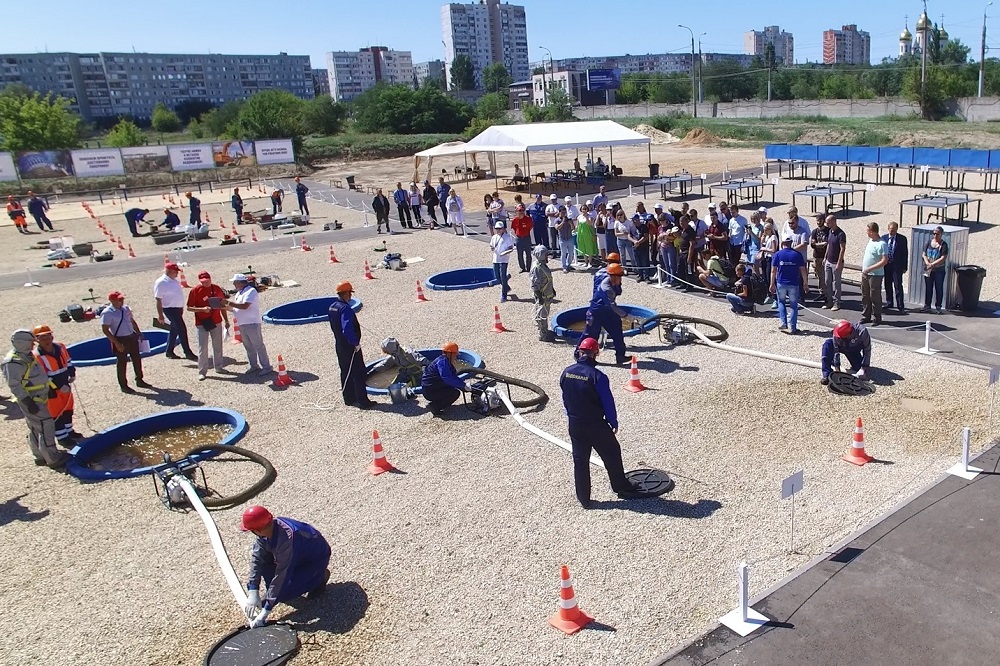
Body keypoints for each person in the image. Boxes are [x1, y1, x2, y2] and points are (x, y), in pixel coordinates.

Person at [560, 337, 643, 509]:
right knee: (612, 453)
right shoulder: (598, 376)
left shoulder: (566, 372)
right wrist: (613, 421)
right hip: (595, 425)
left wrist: (570, 414)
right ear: (595, 354)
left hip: (575, 424)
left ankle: (584, 499)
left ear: (579, 352)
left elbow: (565, 398)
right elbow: (607, 402)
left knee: (580, 461)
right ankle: (620, 486)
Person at [240, 506, 331, 629]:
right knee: (269, 571)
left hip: (314, 561)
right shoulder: (267, 531)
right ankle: (279, 592)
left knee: (284, 593)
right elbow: (257, 559)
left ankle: (319, 577)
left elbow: (282, 575)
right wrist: (253, 589)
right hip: (297, 557)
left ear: (258, 530)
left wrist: (266, 610)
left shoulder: (288, 539)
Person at [2, 329, 70, 470]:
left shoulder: (25, 356)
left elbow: (38, 375)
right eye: (31, 343)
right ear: (22, 343)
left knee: (35, 427)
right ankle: (53, 458)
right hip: (32, 400)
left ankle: (40, 456)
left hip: (39, 396)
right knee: (46, 426)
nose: (34, 345)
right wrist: (27, 401)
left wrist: (49, 387)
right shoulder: (13, 362)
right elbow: (14, 385)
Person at [32, 324, 82, 446]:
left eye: (47, 337)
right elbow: (42, 376)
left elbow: (68, 361)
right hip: (51, 390)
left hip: (65, 383)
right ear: (37, 340)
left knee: (68, 409)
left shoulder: (61, 347)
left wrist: (72, 372)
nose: (46, 340)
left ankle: (69, 431)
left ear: (52, 336)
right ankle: (62, 438)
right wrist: (57, 387)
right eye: (42, 338)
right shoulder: (37, 356)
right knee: (56, 413)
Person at [328, 281, 375, 409]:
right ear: (347, 293)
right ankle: (363, 401)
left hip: (339, 344)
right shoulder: (345, 308)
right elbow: (347, 328)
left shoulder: (332, 306)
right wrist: (355, 343)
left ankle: (348, 398)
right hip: (350, 347)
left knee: (345, 371)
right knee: (358, 372)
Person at [100, 291, 151, 393]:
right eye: (119, 299)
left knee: (136, 359)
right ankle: (124, 385)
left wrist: (138, 333)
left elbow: (131, 321)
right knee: (122, 363)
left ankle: (139, 379)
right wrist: (116, 343)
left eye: (122, 299)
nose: (122, 301)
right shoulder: (107, 313)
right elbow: (105, 330)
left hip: (131, 336)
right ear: (112, 301)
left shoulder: (126, 308)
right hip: (120, 339)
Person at [581, 263, 629, 364]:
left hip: (607, 312)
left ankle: (620, 356)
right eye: (620, 277)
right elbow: (612, 306)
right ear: (614, 276)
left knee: (617, 331)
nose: (621, 279)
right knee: (590, 335)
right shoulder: (606, 288)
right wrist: (626, 315)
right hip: (596, 313)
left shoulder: (612, 283)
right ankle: (581, 356)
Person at [186, 271, 230, 381]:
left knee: (218, 345)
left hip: (216, 321)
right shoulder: (195, 291)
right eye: (203, 282)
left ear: (210, 279)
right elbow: (189, 307)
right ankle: (202, 371)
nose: (206, 283)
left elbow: (222, 305)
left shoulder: (217, 289)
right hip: (202, 323)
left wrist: (226, 320)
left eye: (207, 281)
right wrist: (202, 309)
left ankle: (219, 367)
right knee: (203, 348)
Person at [227, 274, 272, 375]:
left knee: (258, 345)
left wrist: (228, 303)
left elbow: (245, 306)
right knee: (248, 347)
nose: (234, 284)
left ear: (240, 282)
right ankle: (254, 365)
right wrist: (223, 306)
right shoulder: (239, 293)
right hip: (242, 323)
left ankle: (266, 366)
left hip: (252, 323)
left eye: (235, 282)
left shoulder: (251, 291)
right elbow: (235, 309)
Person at [154, 263, 197, 361]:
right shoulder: (161, 282)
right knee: (182, 329)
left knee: (174, 330)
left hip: (177, 309)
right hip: (169, 309)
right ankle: (187, 352)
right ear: (170, 271)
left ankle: (169, 351)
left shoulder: (174, 281)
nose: (177, 274)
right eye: (175, 272)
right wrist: (160, 315)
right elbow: (158, 299)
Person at [770, 234, 808, 334]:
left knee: (781, 302)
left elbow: (773, 271)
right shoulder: (797, 255)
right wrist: (805, 283)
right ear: (791, 243)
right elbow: (803, 270)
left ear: (782, 243)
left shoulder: (778, 254)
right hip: (794, 283)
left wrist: (771, 283)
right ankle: (793, 327)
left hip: (781, 282)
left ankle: (783, 322)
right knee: (793, 306)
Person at [420, 341, 469, 416]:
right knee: (454, 393)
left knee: (452, 389)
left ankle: (440, 402)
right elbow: (447, 378)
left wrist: (462, 385)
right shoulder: (442, 362)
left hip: (433, 387)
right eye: (455, 354)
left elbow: (452, 377)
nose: (456, 356)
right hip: (430, 391)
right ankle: (435, 407)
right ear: (449, 354)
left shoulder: (444, 360)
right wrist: (463, 385)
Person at [821, 320, 872, 384]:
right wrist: (837, 368)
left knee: (858, 367)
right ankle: (826, 374)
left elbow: (867, 350)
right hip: (841, 346)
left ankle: (860, 367)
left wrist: (864, 367)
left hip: (853, 350)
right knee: (827, 344)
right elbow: (836, 350)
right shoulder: (837, 332)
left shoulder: (862, 332)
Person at [860, 222, 888, 326]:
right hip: (866, 273)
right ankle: (866, 315)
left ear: (872, 231)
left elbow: (884, 261)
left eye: (868, 231)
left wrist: (870, 268)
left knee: (874, 296)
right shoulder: (870, 241)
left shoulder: (882, 244)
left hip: (875, 275)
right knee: (865, 295)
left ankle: (877, 317)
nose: (866, 233)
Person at [530, 245, 557, 342]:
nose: (547, 257)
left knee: (544, 314)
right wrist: (539, 296)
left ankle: (544, 330)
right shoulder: (537, 268)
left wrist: (552, 289)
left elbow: (546, 279)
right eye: (546, 255)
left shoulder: (542, 265)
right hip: (543, 296)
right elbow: (535, 284)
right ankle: (543, 334)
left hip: (547, 294)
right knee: (542, 315)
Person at [921, 226, 949, 314]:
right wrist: (927, 263)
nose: (935, 235)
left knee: (938, 288)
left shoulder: (944, 245)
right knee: (928, 288)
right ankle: (927, 305)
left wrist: (933, 264)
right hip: (929, 269)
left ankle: (938, 306)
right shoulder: (928, 242)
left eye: (937, 234)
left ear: (941, 234)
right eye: (934, 234)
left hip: (939, 270)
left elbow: (943, 257)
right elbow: (924, 254)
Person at [882, 222, 908, 313]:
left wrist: (904, 266)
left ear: (897, 229)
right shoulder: (884, 238)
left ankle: (900, 306)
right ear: (888, 228)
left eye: (894, 229)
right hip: (886, 265)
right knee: (887, 284)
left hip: (897, 266)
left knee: (898, 286)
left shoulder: (902, 239)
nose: (892, 231)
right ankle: (889, 302)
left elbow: (905, 253)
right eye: (890, 229)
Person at [823, 215, 847, 311]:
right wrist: (825, 257)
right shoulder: (830, 232)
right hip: (828, 261)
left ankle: (837, 302)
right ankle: (829, 301)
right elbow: (829, 245)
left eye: (828, 222)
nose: (827, 224)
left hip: (836, 262)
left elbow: (842, 248)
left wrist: (839, 262)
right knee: (827, 281)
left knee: (836, 283)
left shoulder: (841, 234)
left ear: (833, 221)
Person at [490, 221, 515, 303]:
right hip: (495, 259)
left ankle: (504, 294)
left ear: (503, 229)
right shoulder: (494, 237)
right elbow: (491, 245)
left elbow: (511, 247)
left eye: (500, 229)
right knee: (497, 276)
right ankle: (506, 287)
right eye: (497, 229)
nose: (498, 230)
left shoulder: (507, 237)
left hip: (504, 259)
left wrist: (505, 253)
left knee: (502, 276)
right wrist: (492, 248)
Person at [510, 204, 534, 272]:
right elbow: (514, 228)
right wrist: (518, 233)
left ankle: (528, 268)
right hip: (518, 238)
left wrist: (525, 232)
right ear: (516, 211)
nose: (521, 212)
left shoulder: (528, 218)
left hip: (526, 237)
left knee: (528, 253)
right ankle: (522, 267)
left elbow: (531, 227)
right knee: (519, 254)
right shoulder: (515, 219)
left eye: (522, 210)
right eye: (519, 211)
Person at [809, 212, 828, 296]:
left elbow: (827, 243)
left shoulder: (828, 231)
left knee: (824, 275)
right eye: (817, 220)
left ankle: (823, 291)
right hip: (816, 256)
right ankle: (821, 290)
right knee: (819, 274)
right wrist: (820, 244)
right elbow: (812, 245)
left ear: (823, 221)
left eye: (820, 220)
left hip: (824, 256)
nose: (818, 222)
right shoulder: (814, 232)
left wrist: (818, 244)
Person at [555, 206, 576, 273]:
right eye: (563, 212)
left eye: (565, 212)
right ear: (560, 212)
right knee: (563, 254)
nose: (564, 214)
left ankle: (568, 264)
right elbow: (557, 228)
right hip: (562, 239)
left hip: (569, 238)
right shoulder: (557, 220)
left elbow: (573, 228)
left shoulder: (569, 219)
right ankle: (564, 266)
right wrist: (563, 222)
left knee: (571, 253)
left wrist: (569, 222)